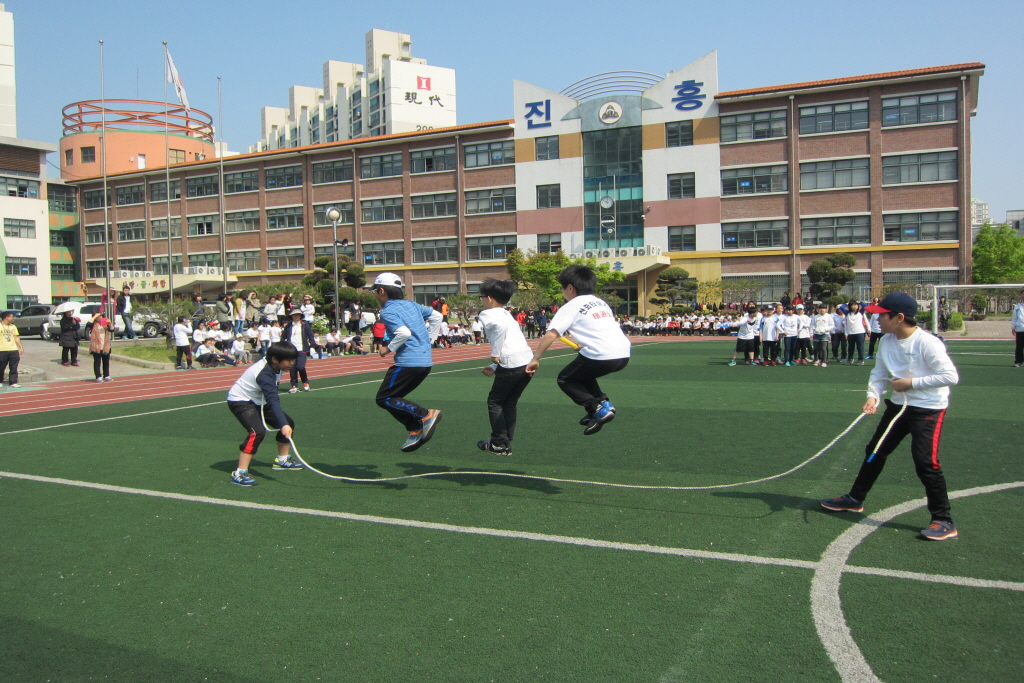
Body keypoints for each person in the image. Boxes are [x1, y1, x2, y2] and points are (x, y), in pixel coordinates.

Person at [821, 293, 961, 541]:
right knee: (875, 450)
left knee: (925, 462)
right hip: (898, 408)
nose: (876, 319)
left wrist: (911, 383)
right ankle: (855, 498)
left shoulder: (927, 343)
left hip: (928, 409)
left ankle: (943, 519)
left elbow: (950, 376)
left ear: (899, 318)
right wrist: (873, 396)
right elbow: (879, 373)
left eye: (880, 315)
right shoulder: (886, 341)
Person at [526, 265, 631, 435]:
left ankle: (596, 407)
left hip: (601, 354)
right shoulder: (600, 302)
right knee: (583, 372)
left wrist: (536, 358)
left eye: (562, 288)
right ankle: (603, 404)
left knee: (565, 379)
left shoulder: (570, 306)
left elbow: (551, 334)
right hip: (623, 353)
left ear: (570, 288)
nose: (562, 292)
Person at [367, 272, 444, 452]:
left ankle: (425, 415)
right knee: (393, 398)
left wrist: (387, 348)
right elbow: (437, 317)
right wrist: (430, 339)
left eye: (375, 292)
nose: (375, 295)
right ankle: (415, 429)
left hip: (408, 362)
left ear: (382, 291)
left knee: (384, 398)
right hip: (424, 362)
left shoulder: (388, 311)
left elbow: (403, 333)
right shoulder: (411, 305)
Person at [225, 341, 305, 486]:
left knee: (289, 422)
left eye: (293, 360)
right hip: (241, 401)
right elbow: (273, 400)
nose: (291, 363)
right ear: (275, 359)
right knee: (257, 432)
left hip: (258, 401)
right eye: (288, 360)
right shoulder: (264, 374)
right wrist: (283, 424)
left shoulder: (276, 365)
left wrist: (285, 424)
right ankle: (239, 473)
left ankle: (282, 460)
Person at [476, 279, 534, 456]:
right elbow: (511, 336)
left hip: (510, 363)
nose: (482, 301)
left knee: (495, 402)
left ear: (490, 298)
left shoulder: (487, 314)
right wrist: (495, 365)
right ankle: (506, 440)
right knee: (509, 402)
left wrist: (495, 354)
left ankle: (499, 442)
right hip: (526, 361)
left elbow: (500, 329)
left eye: (482, 297)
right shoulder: (506, 313)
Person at [281, 309, 316, 393]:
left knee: (300, 367)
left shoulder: (305, 325)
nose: (296, 316)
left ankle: (305, 382)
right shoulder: (289, 326)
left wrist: (312, 346)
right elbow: (283, 337)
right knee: (292, 368)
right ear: (291, 316)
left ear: (300, 316)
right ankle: (294, 385)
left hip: (302, 349)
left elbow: (310, 336)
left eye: (298, 315)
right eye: (294, 315)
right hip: (291, 350)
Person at [0, 309, 25, 387]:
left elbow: (16, 337)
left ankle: (13, 382)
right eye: (12, 317)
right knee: (1, 367)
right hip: (2, 350)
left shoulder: (13, 327)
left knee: (14, 366)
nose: (13, 318)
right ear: (6, 317)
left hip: (13, 349)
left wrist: (20, 347)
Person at [88, 311, 114, 382]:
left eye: (101, 316)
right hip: (96, 346)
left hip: (105, 345)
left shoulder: (105, 325)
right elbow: (88, 324)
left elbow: (112, 329)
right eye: (98, 316)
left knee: (106, 361)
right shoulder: (93, 324)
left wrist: (110, 323)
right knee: (97, 362)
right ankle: (98, 376)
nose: (100, 318)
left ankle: (106, 375)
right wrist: (94, 316)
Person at [844, 301, 869, 365]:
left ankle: (861, 360)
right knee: (850, 347)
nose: (855, 306)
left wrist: (859, 302)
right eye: (853, 305)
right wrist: (847, 303)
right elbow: (841, 307)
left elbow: (865, 305)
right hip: (851, 333)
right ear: (850, 306)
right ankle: (850, 359)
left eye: (856, 305)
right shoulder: (847, 313)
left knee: (860, 347)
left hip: (860, 332)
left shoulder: (860, 312)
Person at [1013, 289, 1024, 367]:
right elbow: (1014, 318)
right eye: (1023, 294)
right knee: (1019, 346)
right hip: (1020, 329)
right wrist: (1013, 327)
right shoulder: (1017, 307)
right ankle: (1018, 361)